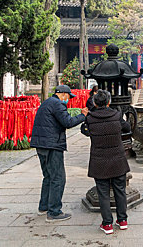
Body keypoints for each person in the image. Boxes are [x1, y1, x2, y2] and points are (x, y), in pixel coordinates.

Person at [30, 85, 88, 222]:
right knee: (58, 178)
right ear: (62, 94)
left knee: (48, 176)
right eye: (68, 97)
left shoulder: (47, 103)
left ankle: (44, 206)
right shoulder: (57, 104)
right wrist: (83, 116)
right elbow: (67, 122)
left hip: (41, 144)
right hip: (52, 145)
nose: (68, 100)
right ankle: (54, 212)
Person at [82, 89, 131, 235]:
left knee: (103, 193)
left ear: (95, 103)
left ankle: (107, 224)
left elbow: (84, 131)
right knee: (120, 191)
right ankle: (122, 221)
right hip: (117, 159)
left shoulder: (90, 118)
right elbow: (127, 127)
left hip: (99, 160)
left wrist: (86, 117)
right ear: (109, 102)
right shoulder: (116, 116)